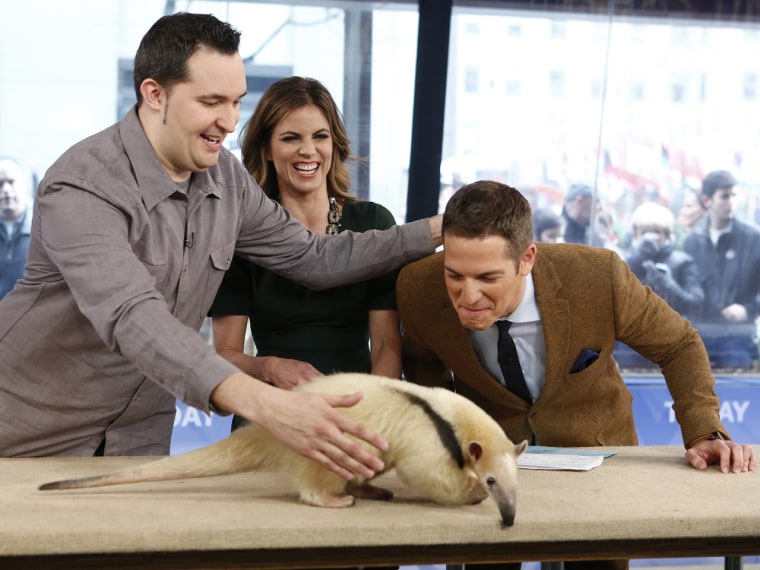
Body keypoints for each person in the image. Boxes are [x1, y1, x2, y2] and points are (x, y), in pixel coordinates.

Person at [0, 13, 441, 482]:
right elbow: (132, 315)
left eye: (235, 102)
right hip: (30, 434)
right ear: (155, 94)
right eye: (211, 102)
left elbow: (312, 256)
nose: (228, 122)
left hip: (137, 441)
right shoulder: (83, 184)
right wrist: (270, 404)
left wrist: (437, 229)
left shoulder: (226, 179)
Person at [397, 180, 755, 569]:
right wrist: (443, 442)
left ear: (527, 259)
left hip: (597, 458)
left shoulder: (598, 277)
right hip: (487, 465)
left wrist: (703, 431)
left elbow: (678, 344)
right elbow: (422, 362)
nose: (467, 296)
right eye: (455, 275)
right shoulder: (418, 287)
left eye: (487, 278)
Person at [210, 77, 402, 432]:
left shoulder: (373, 222)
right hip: (270, 415)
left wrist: (375, 416)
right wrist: (269, 368)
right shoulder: (241, 234)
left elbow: (388, 344)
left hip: (357, 413)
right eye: (290, 138)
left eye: (320, 136)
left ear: (335, 143)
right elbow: (224, 356)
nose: (308, 151)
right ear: (267, 148)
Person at [683, 170, 760, 370]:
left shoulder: (753, 238)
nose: (731, 201)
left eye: (734, 195)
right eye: (725, 196)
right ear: (707, 200)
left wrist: (748, 309)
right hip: (699, 334)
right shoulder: (692, 242)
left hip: (738, 337)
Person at [615, 201, 704, 369]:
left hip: (671, 343)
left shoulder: (682, 261)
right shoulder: (625, 262)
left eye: (656, 232)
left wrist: (669, 285)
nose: (651, 238)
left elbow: (696, 303)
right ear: (635, 234)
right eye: (644, 232)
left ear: (667, 234)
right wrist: (638, 259)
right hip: (631, 347)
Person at [0, 157, 32, 299]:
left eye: (11, 182)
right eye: (0, 184)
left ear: (24, 185)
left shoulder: (44, 230)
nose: (6, 189)